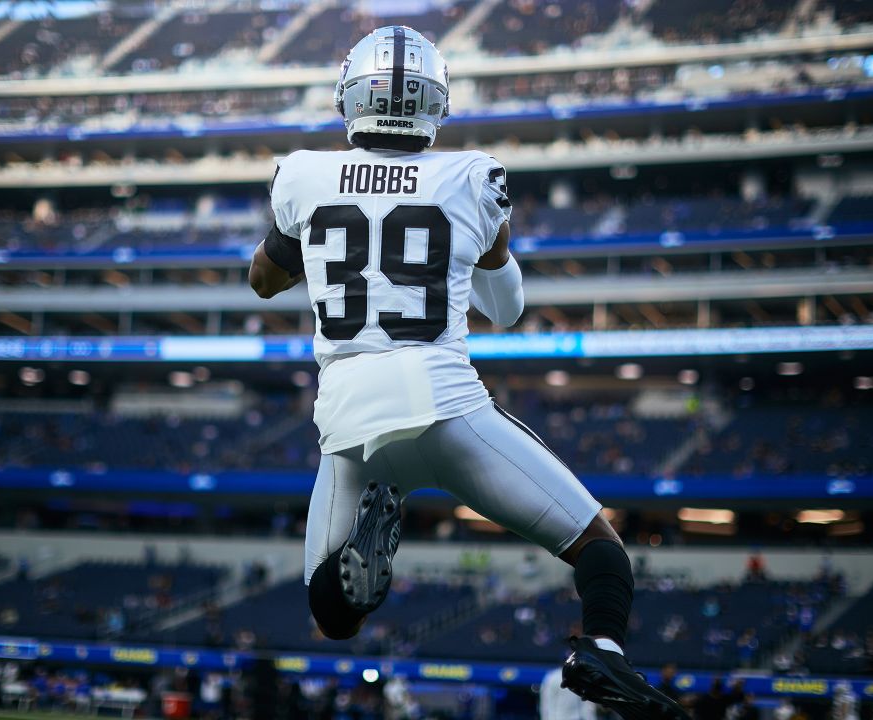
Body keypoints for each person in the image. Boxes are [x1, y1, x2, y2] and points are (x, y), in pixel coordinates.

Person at [249, 24, 687, 720]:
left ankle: (372, 530)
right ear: (436, 102)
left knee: (331, 611)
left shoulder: (301, 173)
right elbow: (507, 308)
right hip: (444, 405)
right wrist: (483, 249)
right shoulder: (472, 174)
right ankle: (601, 647)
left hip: (348, 425)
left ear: (349, 95)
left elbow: (262, 281)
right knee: (601, 552)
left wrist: (311, 237)